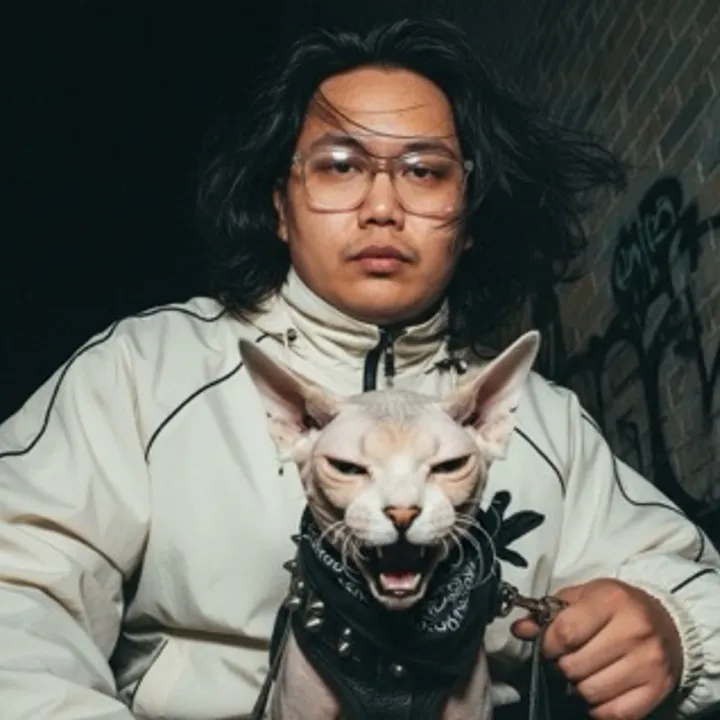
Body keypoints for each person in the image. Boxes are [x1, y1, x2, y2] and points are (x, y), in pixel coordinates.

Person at [0, 17, 718, 720]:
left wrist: (672, 631)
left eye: (424, 171)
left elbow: (693, 581)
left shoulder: (546, 419)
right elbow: (18, 592)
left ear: (468, 218)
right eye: (339, 166)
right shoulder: (145, 371)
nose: (382, 206)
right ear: (281, 206)